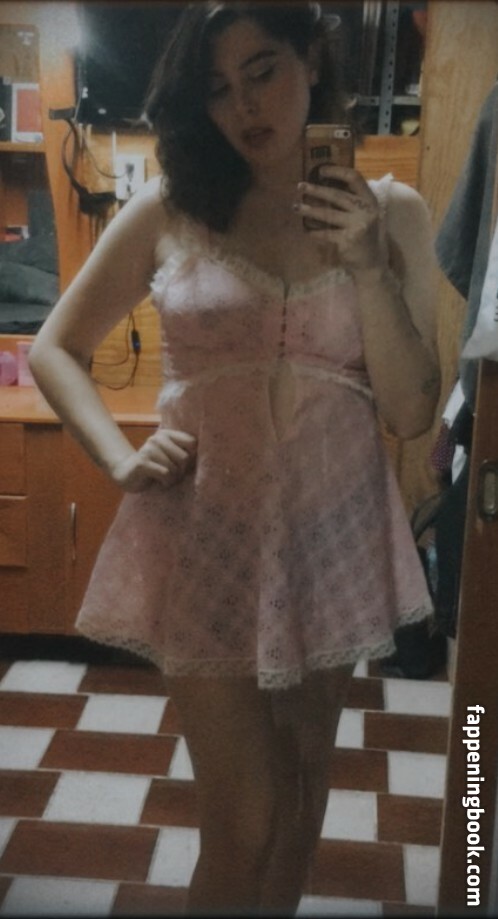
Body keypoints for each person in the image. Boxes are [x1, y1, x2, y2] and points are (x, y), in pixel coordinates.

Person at [29, 2, 440, 914]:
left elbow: (413, 410)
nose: (245, 105)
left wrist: (368, 264)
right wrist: (117, 456)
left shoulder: (393, 213)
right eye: (217, 88)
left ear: (311, 61)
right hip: (204, 535)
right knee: (245, 816)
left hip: (330, 539)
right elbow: (57, 346)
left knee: (299, 797)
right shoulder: (172, 207)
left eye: (263, 71)